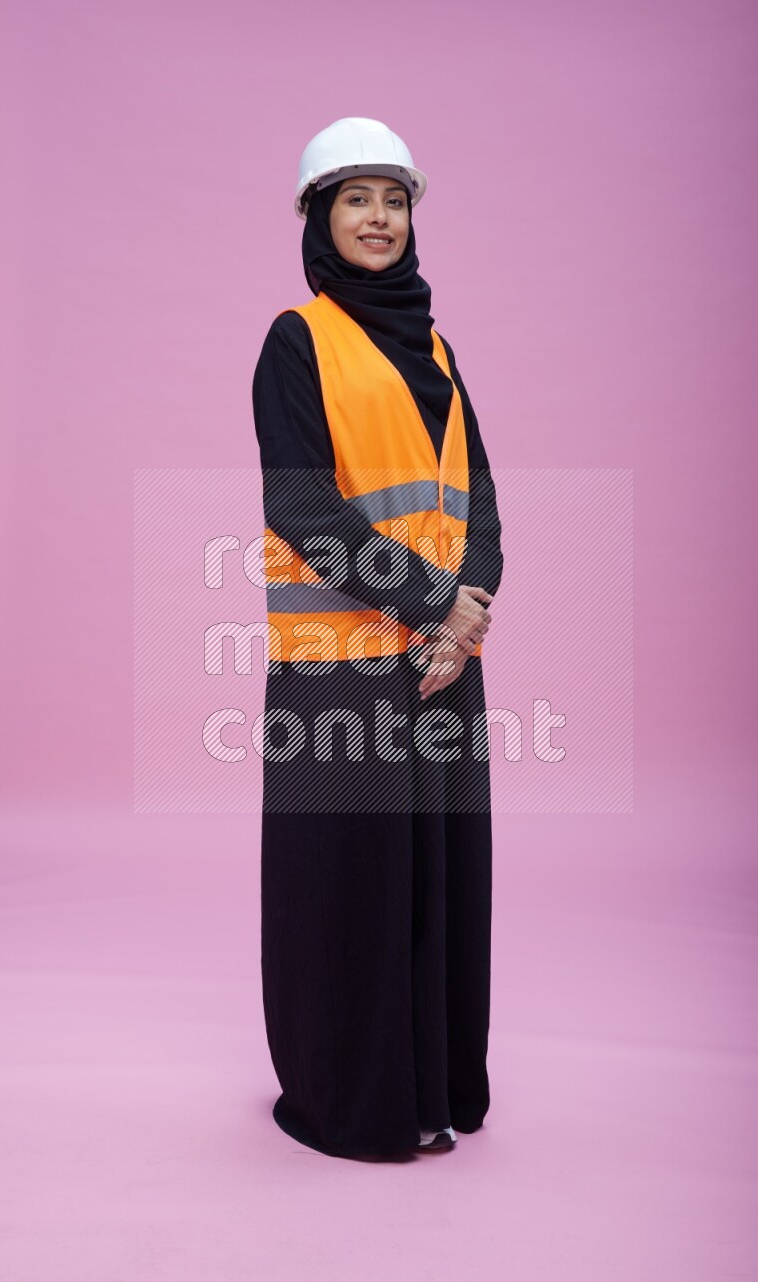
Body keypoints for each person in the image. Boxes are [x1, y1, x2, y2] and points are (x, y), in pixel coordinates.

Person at [252, 117, 504, 1158]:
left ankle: (430, 1089)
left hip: (443, 668)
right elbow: (305, 511)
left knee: (440, 879)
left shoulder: (440, 348)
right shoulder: (295, 338)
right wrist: (435, 605)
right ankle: (348, 1101)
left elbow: (477, 496)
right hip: (339, 675)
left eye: (393, 201)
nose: (378, 219)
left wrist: (471, 605)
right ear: (318, 216)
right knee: (347, 891)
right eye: (355, 198)